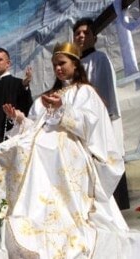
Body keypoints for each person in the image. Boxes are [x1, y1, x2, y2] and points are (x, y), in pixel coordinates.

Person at [0, 42, 129, 258]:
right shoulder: (46, 96)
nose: (57, 68)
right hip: (43, 140)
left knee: (42, 147)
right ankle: (8, 215)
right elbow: (35, 125)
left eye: (62, 63)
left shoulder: (85, 92)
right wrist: (19, 119)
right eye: (54, 64)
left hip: (70, 143)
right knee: (4, 148)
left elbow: (92, 125)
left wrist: (63, 109)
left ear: (75, 64)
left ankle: (42, 220)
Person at [73, 17, 130, 210]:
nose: (81, 36)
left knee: (106, 162)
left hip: (101, 123)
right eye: (77, 33)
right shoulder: (73, 65)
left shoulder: (99, 59)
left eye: (86, 33)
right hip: (82, 125)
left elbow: (105, 95)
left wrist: (102, 122)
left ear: (94, 38)